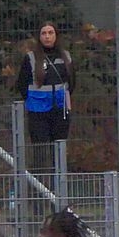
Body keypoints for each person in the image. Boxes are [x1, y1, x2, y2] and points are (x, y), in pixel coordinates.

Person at [15, 21, 75, 173]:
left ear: (56, 35)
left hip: (60, 111)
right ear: (39, 36)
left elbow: (72, 83)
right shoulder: (30, 58)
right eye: (44, 33)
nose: (47, 36)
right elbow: (22, 84)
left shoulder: (66, 57)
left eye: (50, 33)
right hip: (38, 112)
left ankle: (59, 186)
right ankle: (39, 186)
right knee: (40, 153)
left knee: (59, 152)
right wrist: (34, 100)